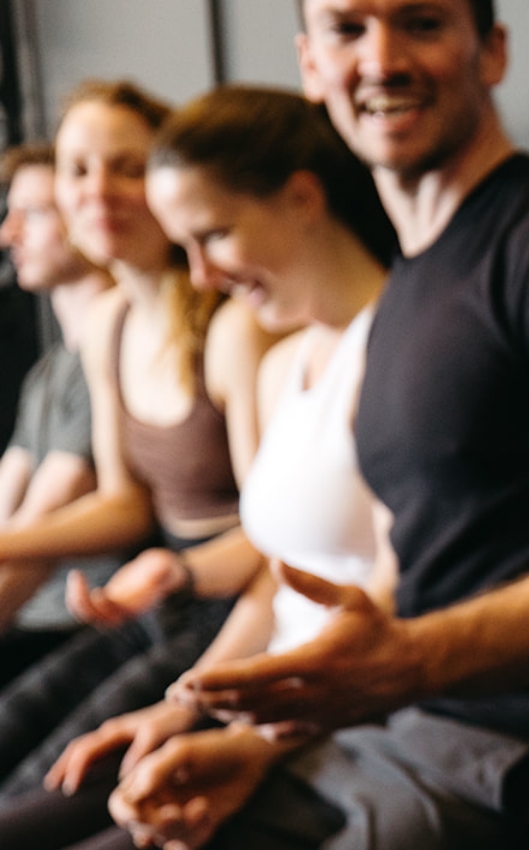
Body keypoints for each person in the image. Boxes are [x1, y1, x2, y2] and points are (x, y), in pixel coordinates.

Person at [167, 2, 529, 847]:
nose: (381, 59)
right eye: (349, 29)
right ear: (311, 66)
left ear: (490, 51)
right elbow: (409, 574)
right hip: (405, 732)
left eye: (420, 21)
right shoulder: (406, 284)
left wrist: (410, 663)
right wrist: (252, 742)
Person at [0, 84, 398, 850]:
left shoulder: (251, 338)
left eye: (124, 168)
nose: (206, 275)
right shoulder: (279, 357)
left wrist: (218, 706)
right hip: (201, 614)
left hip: (265, 658)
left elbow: (334, 577)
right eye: (77, 170)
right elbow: (266, 564)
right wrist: (188, 690)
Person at [0, 80, 274, 798]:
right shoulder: (111, 322)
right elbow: (126, 501)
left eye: (128, 167)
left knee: (39, 788)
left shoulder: (230, 327)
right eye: (78, 170)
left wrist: (176, 572)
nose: (99, 191)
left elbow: (279, 533)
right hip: (151, 599)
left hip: (232, 603)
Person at [0, 144, 119, 683]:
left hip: (81, 628)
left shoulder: (112, 354)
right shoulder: (49, 372)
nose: (9, 233)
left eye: (34, 213)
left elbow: (34, 541)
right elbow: (6, 512)